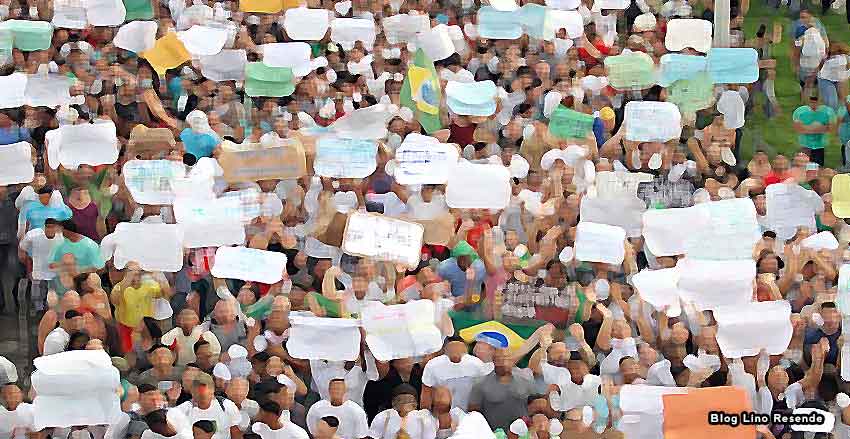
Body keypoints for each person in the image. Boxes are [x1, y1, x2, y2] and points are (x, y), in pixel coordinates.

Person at [793, 94, 837, 166]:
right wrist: (820, 127)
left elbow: (831, 128)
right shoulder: (799, 111)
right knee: (803, 167)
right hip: (805, 145)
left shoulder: (828, 111)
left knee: (818, 167)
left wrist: (808, 128)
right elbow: (798, 128)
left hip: (820, 145)